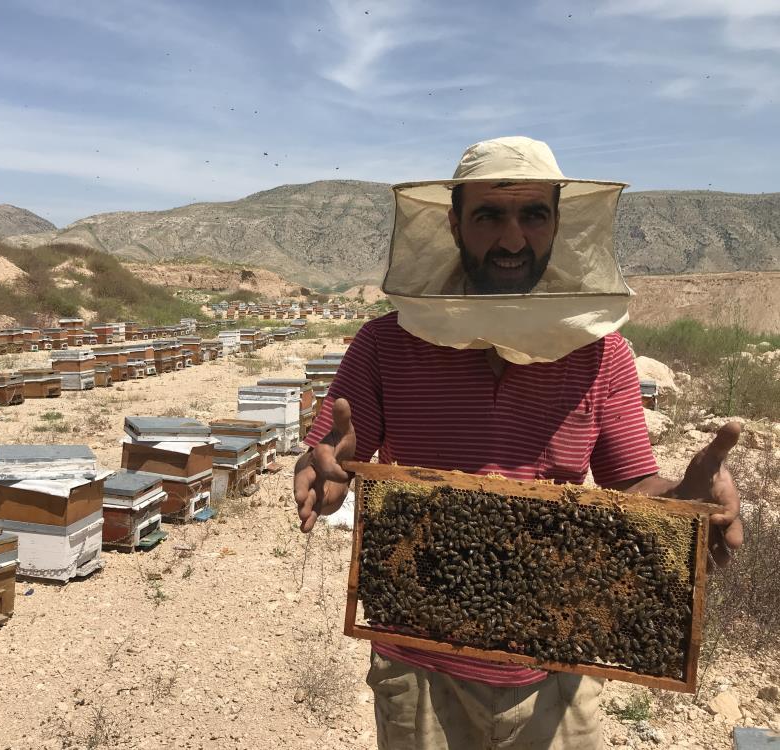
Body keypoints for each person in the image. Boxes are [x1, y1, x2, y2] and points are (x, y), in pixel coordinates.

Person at [293, 136, 743, 750]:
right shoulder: (384, 344)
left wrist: (687, 496)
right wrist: (328, 469)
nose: (512, 238)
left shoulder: (600, 351)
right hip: (418, 667)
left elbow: (632, 483)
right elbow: (334, 454)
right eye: (489, 215)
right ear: (453, 223)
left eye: (533, 214)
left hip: (554, 667)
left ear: (558, 222)